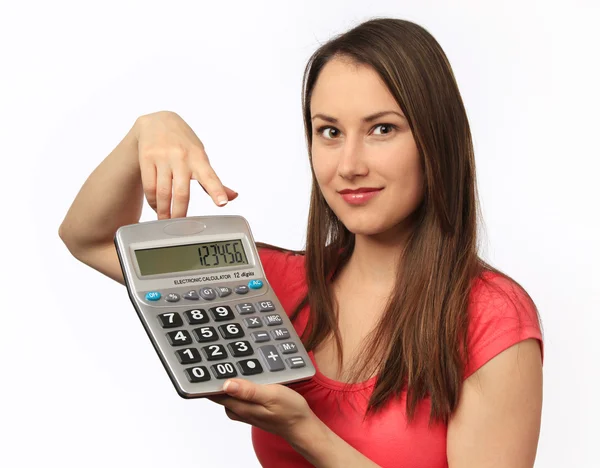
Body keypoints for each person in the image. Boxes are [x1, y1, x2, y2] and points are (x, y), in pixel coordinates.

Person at [59, 17, 544, 468]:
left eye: (382, 129)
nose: (348, 164)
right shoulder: (273, 285)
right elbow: (89, 238)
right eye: (329, 131)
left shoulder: (491, 318)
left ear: (435, 140)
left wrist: (303, 430)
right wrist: (149, 128)